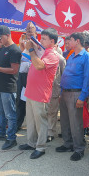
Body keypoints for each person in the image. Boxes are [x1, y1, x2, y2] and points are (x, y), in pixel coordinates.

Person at [19, 28, 60, 159]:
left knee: (40, 121)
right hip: (31, 91)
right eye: (41, 38)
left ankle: (41, 147)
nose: (40, 40)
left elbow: (39, 66)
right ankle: (31, 143)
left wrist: (31, 50)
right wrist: (27, 48)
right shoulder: (41, 51)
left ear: (52, 41)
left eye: (43, 39)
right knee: (30, 120)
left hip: (40, 93)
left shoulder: (52, 55)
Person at [56, 32, 89, 161]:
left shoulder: (87, 57)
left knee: (76, 123)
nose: (68, 42)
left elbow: (87, 79)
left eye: (70, 40)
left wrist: (82, 97)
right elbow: (65, 75)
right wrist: (61, 92)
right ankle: (68, 144)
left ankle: (79, 148)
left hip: (76, 93)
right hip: (65, 92)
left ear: (77, 41)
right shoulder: (71, 56)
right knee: (65, 121)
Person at [0, 25, 21, 150]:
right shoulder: (2, 50)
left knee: (10, 114)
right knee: (0, 112)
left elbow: (14, 70)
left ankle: (11, 138)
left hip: (8, 87)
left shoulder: (14, 50)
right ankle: (0, 133)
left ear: (7, 36)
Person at [16, 22, 37, 131]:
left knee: (31, 103)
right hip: (22, 76)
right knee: (20, 101)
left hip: (32, 77)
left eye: (31, 28)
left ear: (35, 32)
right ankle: (18, 123)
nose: (29, 30)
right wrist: (22, 47)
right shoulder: (24, 43)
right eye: (27, 29)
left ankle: (32, 127)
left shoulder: (38, 45)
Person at [47, 46, 66, 142]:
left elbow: (64, 76)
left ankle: (50, 132)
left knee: (52, 112)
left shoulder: (61, 59)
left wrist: (61, 91)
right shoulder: (43, 55)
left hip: (54, 90)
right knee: (43, 112)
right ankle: (42, 131)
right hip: (43, 89)